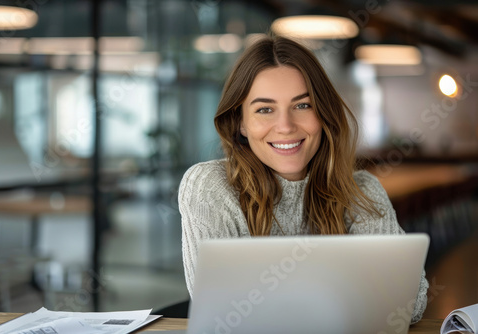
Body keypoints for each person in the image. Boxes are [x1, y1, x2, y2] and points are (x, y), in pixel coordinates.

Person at [178, 34, 428, 323]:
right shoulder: (209, 187)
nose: (285, 126)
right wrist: (348, 293)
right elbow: (224, 316)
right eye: (265, 109)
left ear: (323, 114)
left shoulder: (362, 189)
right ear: (240, 123)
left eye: (302, 105)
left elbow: (411, 304)